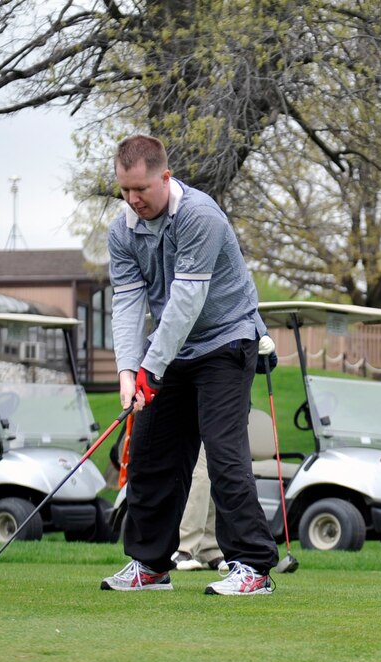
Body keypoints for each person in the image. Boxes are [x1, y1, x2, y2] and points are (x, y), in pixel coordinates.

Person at [101, 133, 278, 595]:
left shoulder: (200, 216)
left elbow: (186, 299)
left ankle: (253, 568)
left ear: (166, 176)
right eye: (125, 190)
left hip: (226, 340)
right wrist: (128, 370)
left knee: (224, 455)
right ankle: (150, 565)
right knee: (150, 455)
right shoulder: (122, 231)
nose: (134, 199)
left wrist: (150, 368)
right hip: (172, 349)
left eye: (142, 189)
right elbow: (127, 301)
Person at [171, 339, 277, 573]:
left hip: (233, 412)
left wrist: (269, 352)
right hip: (204, 410)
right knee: (201, 476)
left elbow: (263, 364)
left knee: (220, 477)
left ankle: (211, 548)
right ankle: (184, 547)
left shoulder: (248, 316)